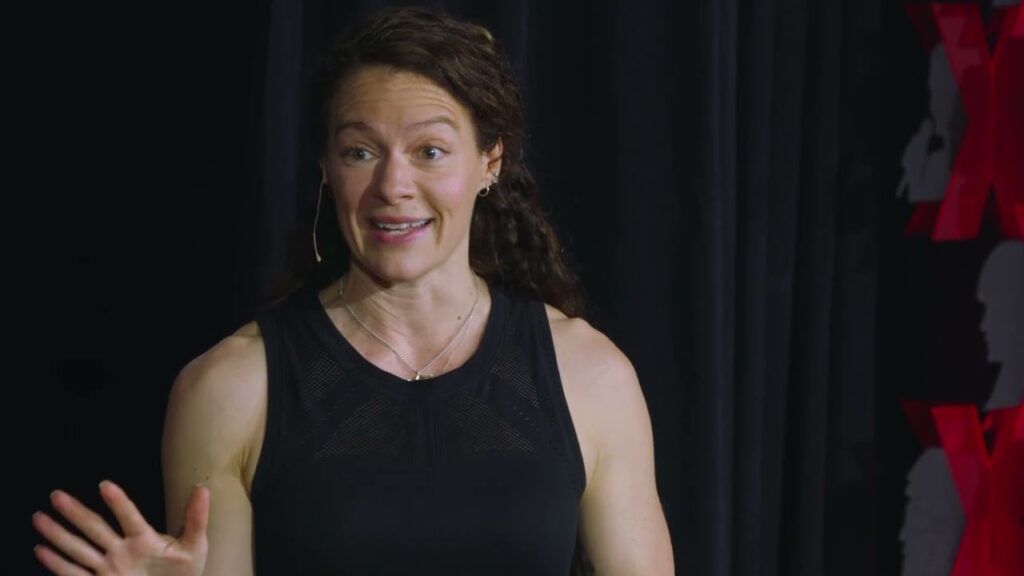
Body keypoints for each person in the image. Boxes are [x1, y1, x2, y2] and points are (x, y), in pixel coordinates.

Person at [32, 7, 674, 575]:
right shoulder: (232, 388)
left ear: (490, 161)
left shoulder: (590, 376)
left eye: (429, 151)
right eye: (360, 152)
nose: (392, 185)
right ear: (326, 167)